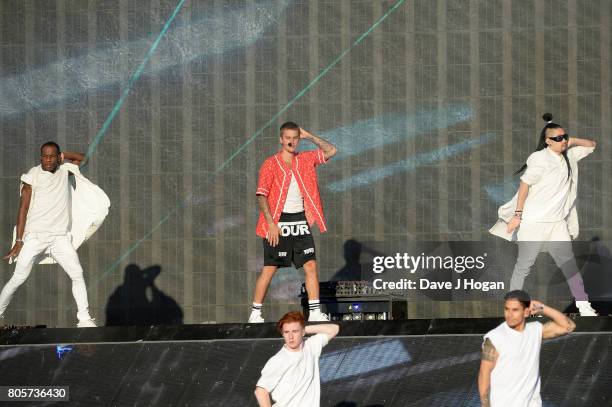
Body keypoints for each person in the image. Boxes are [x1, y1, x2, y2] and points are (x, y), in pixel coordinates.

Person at [489, 113, 597, 316]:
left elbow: (592, 144)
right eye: (557, 138)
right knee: (524, 266)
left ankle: (584, 306)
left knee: (569, 264)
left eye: (564, 137)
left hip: (557, 224)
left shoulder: (570, 156)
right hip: (533, 223)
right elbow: (524, 185)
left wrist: (570, 140)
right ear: (547, 141)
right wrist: (517, 215)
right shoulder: (539, 158)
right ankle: (515, 308)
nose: (562, 141)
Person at [0, 142, 104, 327]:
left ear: (58, 157)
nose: (47, 160)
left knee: (77, 274)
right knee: (18, 278)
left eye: (52, 156)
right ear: (40, 157)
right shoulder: (32, 176)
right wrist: (19, 240)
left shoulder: (65, 170)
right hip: (35, 237)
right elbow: (23, 210)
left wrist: (64, 155)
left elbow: (84, 158)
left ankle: (84, 319)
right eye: (44, 156)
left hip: (59, 238)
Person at [249, 122, 337, 323]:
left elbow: (331, 150)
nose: (291, 141)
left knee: (311, 266)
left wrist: (310, 137)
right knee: (270, 268)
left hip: (300, 220)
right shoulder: (270, 163)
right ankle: (255, 313)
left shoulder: (305, 159)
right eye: (287, 137)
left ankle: (314, 312)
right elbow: (261, 195)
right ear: (281, 139)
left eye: (295, 138)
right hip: (278, 222)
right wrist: (271, 224)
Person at [478, 290, 575, 407]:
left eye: (515, 310)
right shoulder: (495, 337)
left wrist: (542, 308)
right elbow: (484, 374)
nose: (509, 314)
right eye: (507, 309)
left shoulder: (535, 330)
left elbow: (568, 326)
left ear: (526, 312)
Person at [254, 311, 339, 407]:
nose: (290, 337)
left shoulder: (311, 346)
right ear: (282, 334)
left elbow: (334, 329)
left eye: (295, 331)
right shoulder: (278, 360)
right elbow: (260, 391)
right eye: (286, 332)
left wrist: (304, 329)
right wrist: (298, 330)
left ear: (302, 332)